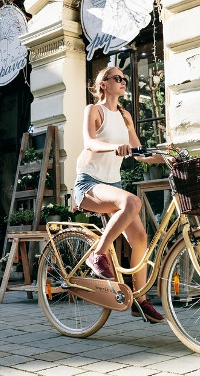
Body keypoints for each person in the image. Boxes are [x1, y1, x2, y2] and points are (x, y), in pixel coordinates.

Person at [73, 66, 165, 323]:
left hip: (111, 186)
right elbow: (89, 142)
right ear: (103, 84)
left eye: (125, 78)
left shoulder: (125, 116)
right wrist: (116, 147)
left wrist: (166, 156)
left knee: (140, 237)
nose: (123, 81)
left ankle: (139, 300)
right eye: (118, 78)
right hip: (89, 184)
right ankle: (98, 254)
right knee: (132, 201)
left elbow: (139, 152)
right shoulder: (94, 110)